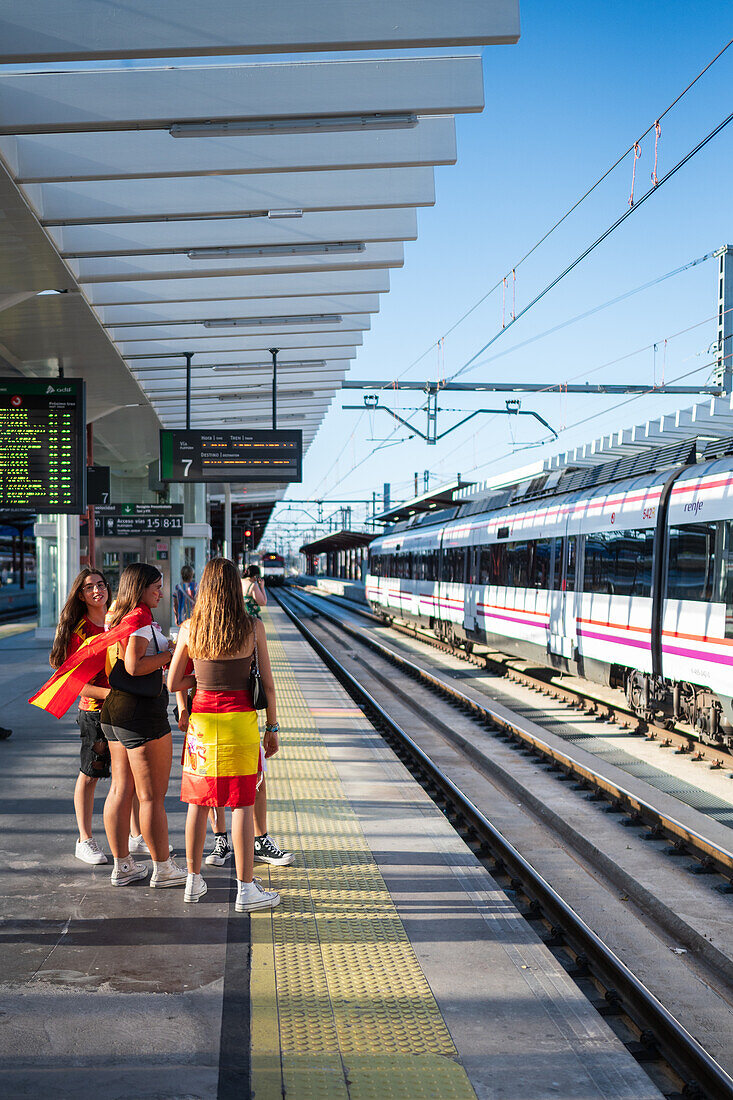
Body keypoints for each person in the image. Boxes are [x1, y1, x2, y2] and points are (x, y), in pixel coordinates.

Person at [169, 557, 280, 911]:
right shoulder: (252, 628)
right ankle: (246, 891)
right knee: (242, 804)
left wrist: (198, 682)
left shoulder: (190, 628)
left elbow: (172, 682)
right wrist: (272, 728)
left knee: (199, 803)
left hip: (202, 723)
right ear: (235, 587)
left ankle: (192, 881)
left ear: (204, 587)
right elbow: (269, 686)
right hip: (241, 724)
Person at [100, 563, 187, 889]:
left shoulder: (117, 615)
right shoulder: (138, 619)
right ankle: (162, 868)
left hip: (115, 712)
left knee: (121, 790)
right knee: (151, 797)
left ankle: (123, 865)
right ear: (141, 589)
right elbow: (135, 666)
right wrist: (170, 654)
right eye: (156, 588)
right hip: (141, 716)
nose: (161, 592)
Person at [49, 567, 113, 865]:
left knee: (129, 777)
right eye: (90, 587)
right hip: (94, 712)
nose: (97, 590)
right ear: (81, 594)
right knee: (91, 773)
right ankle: (84, 839)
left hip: (125, 710)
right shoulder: (80, 632)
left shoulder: (116, 622)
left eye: (101, 584)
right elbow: (71, 681)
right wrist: (108, 695)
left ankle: (135, 836)